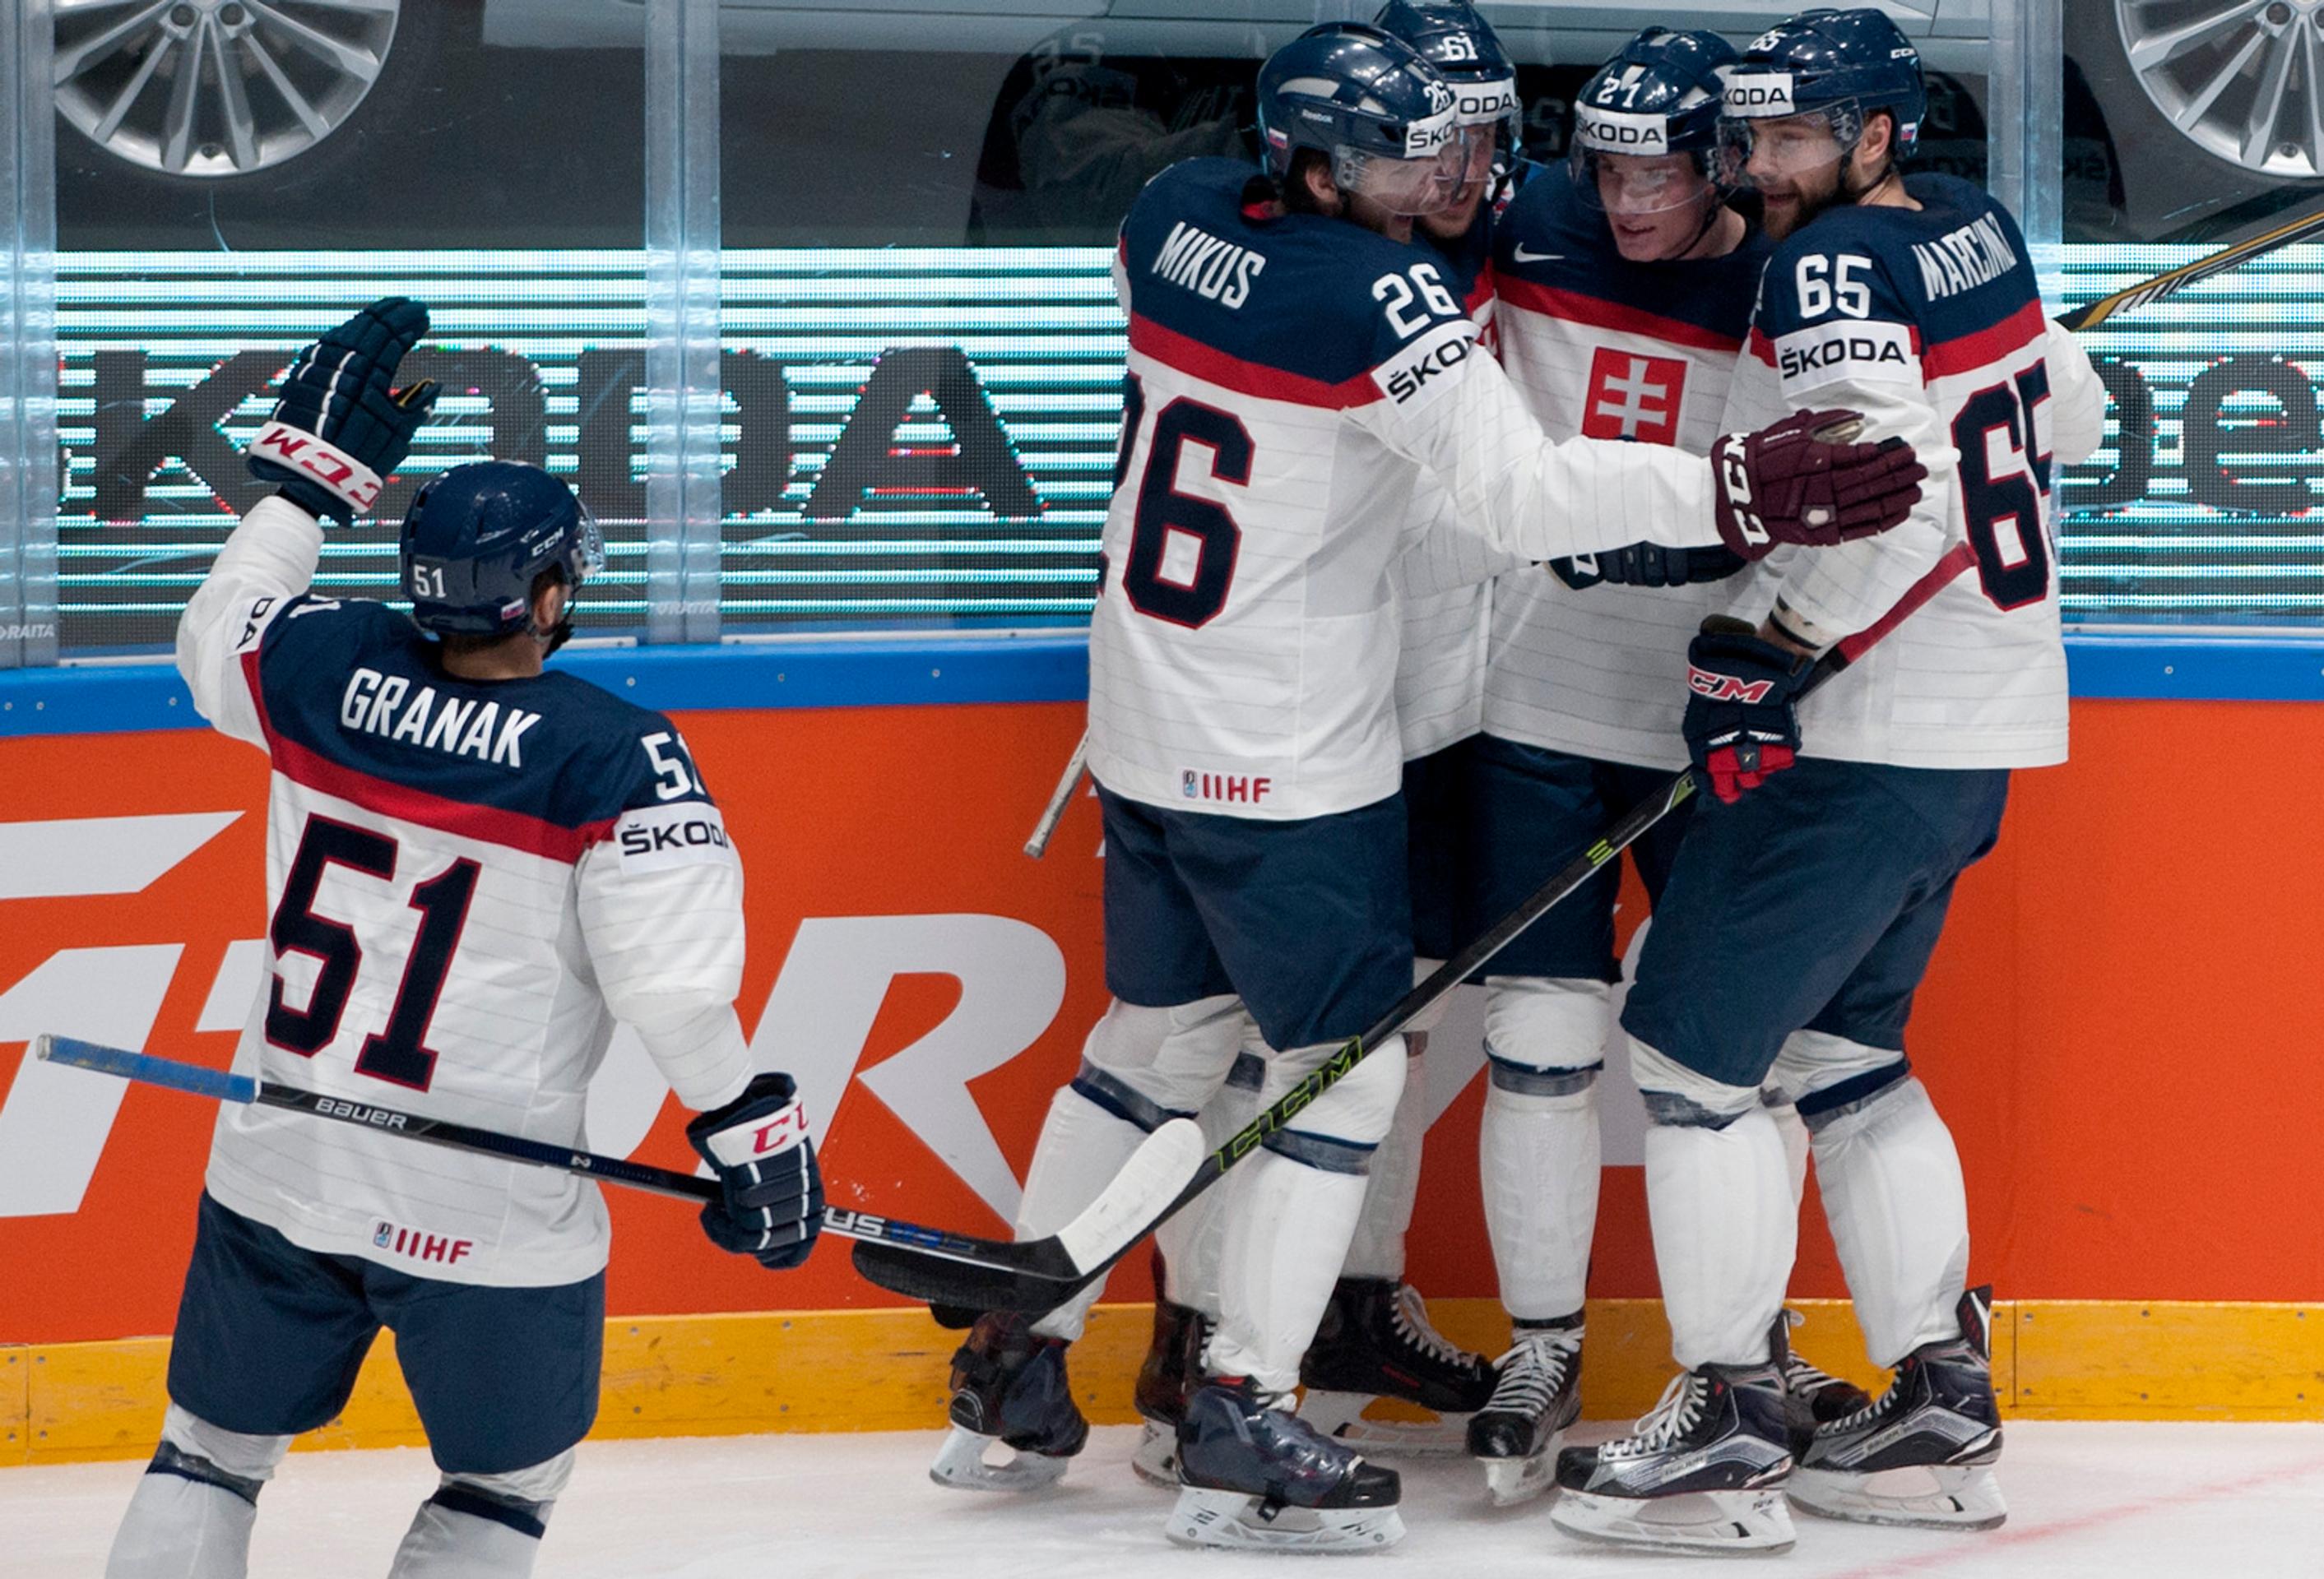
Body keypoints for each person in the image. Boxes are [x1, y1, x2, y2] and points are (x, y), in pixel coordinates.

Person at [935, 20, 1926, 1553]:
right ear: (1316, 160)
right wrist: (1732, 487)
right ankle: (1240, 1405)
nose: (1457, 175)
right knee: (1352, 1068)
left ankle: (1012, 1362)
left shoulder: (1174, 211)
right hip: (1276, 750)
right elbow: (1524, 489)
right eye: (1414, 153)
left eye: (1465, 142)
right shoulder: (1373, 289)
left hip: (1139, 710)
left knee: (1153, 1044)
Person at [105, 300, 823, 1579]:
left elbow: (220, 624)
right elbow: (670, 993)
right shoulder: (613, 755)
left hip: (286, 1162)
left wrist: (297, 489)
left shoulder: (322, 663)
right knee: (501, 1488)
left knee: (209, 1451)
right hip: (486, 1206)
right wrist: (748, 1128)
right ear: (545, 593)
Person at [1548, 9, 2108, 1554]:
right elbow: (2075, 407)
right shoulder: (1971, 231)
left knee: (1688, 1068)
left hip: (1857, 736)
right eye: (1754, 137)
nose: (1762, 166)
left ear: (1875, 136)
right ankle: (1936, 1397)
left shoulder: (1829, 266)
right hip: (1978, 730)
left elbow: (1879, 485)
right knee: (1839, 1057)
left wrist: (1761, 649)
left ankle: (1726, 1420)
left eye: (1797, 139)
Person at [1456, 26, 1871, 1504]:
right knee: (1542, 1045)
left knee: (1729, 1059)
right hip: (1541, 695)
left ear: (1724, 163)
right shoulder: (1521, 222)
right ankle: (1540, 1345)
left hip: (1716, 707)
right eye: (1606, 169)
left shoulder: (1793, 268)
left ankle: (1746, 1348)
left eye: (1662, 171)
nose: (1628, 202)